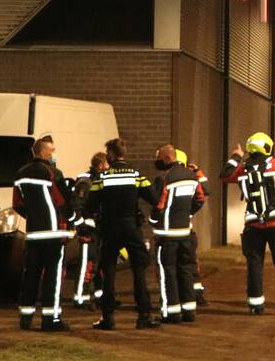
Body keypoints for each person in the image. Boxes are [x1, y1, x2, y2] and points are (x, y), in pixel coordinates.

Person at [220, 132, 275, 316]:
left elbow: (224, 176)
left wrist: (236, 156)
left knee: (254, 264)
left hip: (253, 224)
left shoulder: (243, 168)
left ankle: (256, 305)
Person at [84, 138, 161, 330]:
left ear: (110, 154)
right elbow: (154, 198)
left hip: (109, 229)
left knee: (108, 271)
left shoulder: (102, 178)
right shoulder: (136, 176)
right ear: (123, 154)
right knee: (139, 270)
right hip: (130, 228)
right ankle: (144, 316)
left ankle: (108, 318)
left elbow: (89, 206)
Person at [13, 137, 74, 331]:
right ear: (43, 153)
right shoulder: (52, 173)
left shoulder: (20, 174)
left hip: (33, 233)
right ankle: (51, 319)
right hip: (53, 233)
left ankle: (26, 318)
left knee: (30, 275)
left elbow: (18, 204)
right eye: (52, 151)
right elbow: (62, 200)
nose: (53, 154)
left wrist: (33, 217)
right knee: (52, 277)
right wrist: (72, 220)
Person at [150, 145, 206, 323]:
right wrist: (188, 214)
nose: (157, 161)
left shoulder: (164, 178)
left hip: (167, 235)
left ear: (167, 158)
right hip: (185, 233)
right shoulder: (191, 176)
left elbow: (158, 205)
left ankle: (171, 312)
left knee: (168, 273)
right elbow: (200, 199)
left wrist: (153, 221)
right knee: (186, 271)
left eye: (159, 157)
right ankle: (189, 311)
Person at [70, 152, 108, 309]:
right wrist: (82, 227)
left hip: (99, 229)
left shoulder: (99, 181)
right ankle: (81, 298)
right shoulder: (86, 183)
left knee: (99, 265)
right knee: (87, 264)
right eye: (107, 165)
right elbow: (76, 207)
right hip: (89, 231)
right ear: (100, 165)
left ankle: (99, 296)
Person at [177, 148, 210, 307]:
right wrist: (198, 172)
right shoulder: (191, 178)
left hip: (172, 230)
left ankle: (182, 294)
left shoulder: (168, 178)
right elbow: (205, 192)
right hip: (186, 229)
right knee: (190, 264)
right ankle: (197, 295)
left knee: (175, 265)